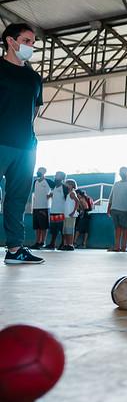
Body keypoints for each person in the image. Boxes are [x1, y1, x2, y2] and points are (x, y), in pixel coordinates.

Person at [1, 23, 44, 264]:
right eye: (27, 41)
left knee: (17, 199)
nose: (31, 46)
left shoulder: (34, 77)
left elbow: (35, 110)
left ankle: (15, 250)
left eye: (33, 42)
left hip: (26, 146)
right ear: (10, 41)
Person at [107, 167, 127, 252]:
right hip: (114, 209)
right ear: (119, 173)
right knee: (117, 228)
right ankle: (117, 246)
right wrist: (109, 207)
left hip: (125, 209)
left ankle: (124, 247)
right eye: (121, 172)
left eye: (124, 172)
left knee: (125, 228)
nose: (122, 173)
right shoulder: (116, 184)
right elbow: (111, 197)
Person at [45, 171, 67, 250]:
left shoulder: (64, 187)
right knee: (53, 229)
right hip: (53, 211)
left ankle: (63, 244)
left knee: (61, 229)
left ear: (62, 178)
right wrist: (50, 195)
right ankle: (52, 244)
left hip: (61, 211)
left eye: (57, 175)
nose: (55, 176)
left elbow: (67, 199)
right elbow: (53, 195)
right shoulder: (54, 187)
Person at [30, 167, 52, 249]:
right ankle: (37, 242)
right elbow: (33, 194)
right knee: (37, 226)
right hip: (36, 207)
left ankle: (43, 242)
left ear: (44, 172)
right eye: (38, 170)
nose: (38, 171)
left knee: (44, 226)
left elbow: (57, 188)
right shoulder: (35, 182)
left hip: (44, 206)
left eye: (40, 170)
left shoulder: (48, 181)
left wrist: (51, 194)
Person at [61, 179, 80, 251]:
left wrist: (73, 211)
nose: (66, 186)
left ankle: (70, 244)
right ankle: (66, 244)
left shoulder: (72, 193)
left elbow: (77, 201)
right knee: (65, 231)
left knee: (70, 230)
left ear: (71, 185)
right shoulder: (68, 193)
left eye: (67, 184)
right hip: (66, 215)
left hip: (70, 215)